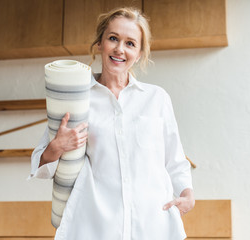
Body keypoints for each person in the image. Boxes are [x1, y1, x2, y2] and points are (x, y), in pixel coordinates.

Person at [30, 7, 195, 240]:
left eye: (130, 43)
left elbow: (175, 160)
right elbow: (40, 164)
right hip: (96, 226)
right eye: (113, 38)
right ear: (100, 43)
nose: (120, 49)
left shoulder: (157, 98)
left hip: (152, 225)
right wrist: (57, 146)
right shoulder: (77, 98)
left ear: (138, 53)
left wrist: (187, 194)